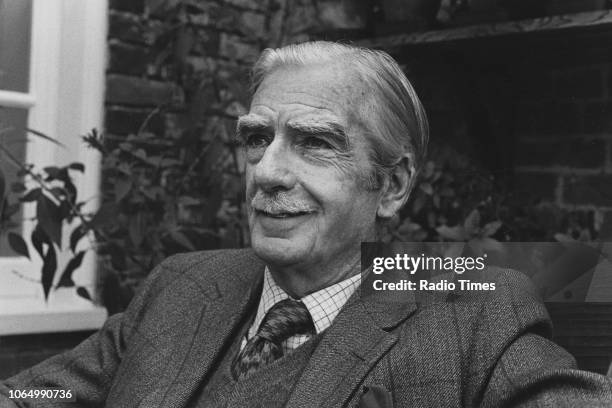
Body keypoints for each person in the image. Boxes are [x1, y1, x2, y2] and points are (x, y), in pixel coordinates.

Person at [2, 41, 612, 408]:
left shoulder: (471, 311)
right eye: (256, 138)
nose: (266, 172)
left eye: (315, 142)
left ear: (392, 186)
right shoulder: (183, 284)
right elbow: (44, 394)